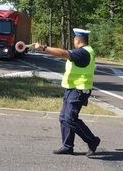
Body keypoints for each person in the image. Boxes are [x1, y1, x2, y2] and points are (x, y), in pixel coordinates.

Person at [34, 28, 100, 157]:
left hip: (79, 90)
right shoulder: (83, 51)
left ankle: (92, 141)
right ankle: (67, 146)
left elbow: (64, 53)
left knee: (70, 118)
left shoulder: (83, 52)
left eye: (74, 39)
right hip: (71, 88)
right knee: (64, 118)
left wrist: (43, 47)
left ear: (77, 40)